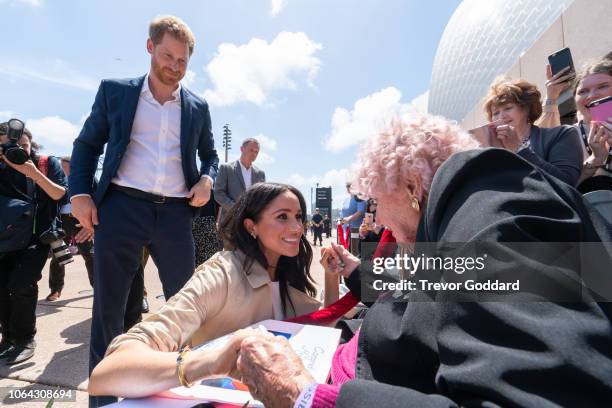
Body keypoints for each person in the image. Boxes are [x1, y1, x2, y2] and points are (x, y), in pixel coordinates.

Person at [234, 113, 612, 407]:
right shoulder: (471, 213)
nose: (377, 218)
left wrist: (304, 398)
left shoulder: (493, 213)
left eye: (378, 203)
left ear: (412, 186)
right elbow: (447, 281)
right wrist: (354, 269)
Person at [68, 15, 219, 405]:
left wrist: (207, 180)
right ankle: (103, 400)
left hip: (174, 215)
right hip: (120, 208)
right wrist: (79, 194)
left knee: (187, 307)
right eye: (168, 56)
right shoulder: (116, 92)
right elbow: (87, 145)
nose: (175, 66)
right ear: (150, 47)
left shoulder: (198, 106)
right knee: (110, 312)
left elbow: (211, 157)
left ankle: (184, 393)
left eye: (182, 61)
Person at [87, 183, 340, 398]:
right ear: (252, 226)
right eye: (282, 217)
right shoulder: (222, 274)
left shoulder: (286, 276)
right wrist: (212, 362)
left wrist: (331, 277)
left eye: (298, 217)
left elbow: (320, 332)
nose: (297, 228)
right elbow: (107, 372)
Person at [0, 122, 67, 364]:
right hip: (4, 237)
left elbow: (60, 194)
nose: (16, 151)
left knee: (22, 284)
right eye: (5, 147)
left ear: (31, 144)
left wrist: (33, 173)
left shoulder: (46, 163)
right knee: (2, 290)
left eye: (22, 146)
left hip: (36, 236)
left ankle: (25, 339)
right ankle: (8, 339)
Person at [482, 77, 583, 186]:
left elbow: (566, 182)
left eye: (508, 108)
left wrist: (519, 149)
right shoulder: (491, 151)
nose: (501, 117)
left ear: (526, 108)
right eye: (496, 113)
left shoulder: (561, 134)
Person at [539, 54, 612, 192]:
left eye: (603, 86)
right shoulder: (568, 136)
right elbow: (559, 190)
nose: (591, 96)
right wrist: (595, 160)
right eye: (583, 91)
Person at [46, 156, 94, 301]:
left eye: (67, 165)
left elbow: (97, 198)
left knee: (89, 253)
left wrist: (92, 222)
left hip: (81, 220)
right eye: (62, 166)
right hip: (61, 220)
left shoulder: (86, 178)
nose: (64, 168)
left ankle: (98, 286)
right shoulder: (56, 179)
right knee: (58, 256)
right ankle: (56, 289)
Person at [214, 138, 266, 225]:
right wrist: (237, 209)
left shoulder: (260, 174)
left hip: (251, 223)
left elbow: (262, 198)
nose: (254, 153)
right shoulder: (226, 168)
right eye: (251, 150)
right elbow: (218, 193)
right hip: (230, 222)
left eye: (256, 152)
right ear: (242, 149)